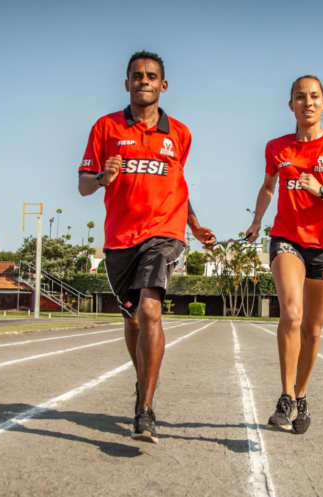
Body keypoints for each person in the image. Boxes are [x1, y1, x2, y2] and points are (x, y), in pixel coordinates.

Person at [78, 50, 216, 444]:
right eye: (137, 76)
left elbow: (177, 185)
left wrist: (194, 225)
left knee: (150, 309)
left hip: (165, 233)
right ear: (127, 83)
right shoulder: (105, 128)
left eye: (151, 76)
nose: (144, 81)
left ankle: (145, 409)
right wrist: (102, 178)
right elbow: (83, 185)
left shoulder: (180, 134)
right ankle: (143, 384)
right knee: (133, 321)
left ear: (163, 85)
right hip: (120, 239)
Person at [244, 75, 323, 434]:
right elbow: (268, 187)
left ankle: (301, 396)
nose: (308, 102)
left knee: (313, 331)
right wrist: (257, 221)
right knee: (292, 312)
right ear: (291, 106)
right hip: (287, 239)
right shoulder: (277, 148)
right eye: (300, 97)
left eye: (314, 96)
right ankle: (285, 396)